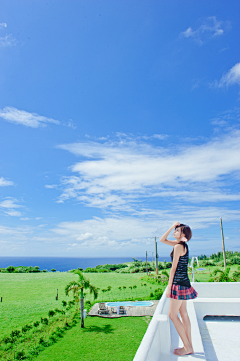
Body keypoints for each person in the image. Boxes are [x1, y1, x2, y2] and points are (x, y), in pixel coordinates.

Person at [160, 222, 197, 356]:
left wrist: (169, 287)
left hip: (178, 284)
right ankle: (190, 346)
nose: (174, 232)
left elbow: (173, 268)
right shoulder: (182, 246)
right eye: (174, 230)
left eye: (176, 230)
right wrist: (171, 226)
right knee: (184, 314)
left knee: (172, 315)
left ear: (182, 234)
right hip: (184, 283)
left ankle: (187, 347)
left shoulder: (178, 247)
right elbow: (162, 240)